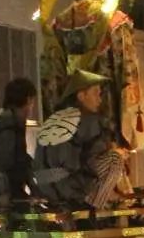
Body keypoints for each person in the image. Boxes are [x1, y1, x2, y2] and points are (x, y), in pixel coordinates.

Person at [33, 69, 132, 210]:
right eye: (96, 94)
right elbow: (93, 157)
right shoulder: (87, 119)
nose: (100, 99)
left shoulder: (54, 117)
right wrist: (118, 152)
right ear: (81, 95)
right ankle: (96, 205)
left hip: (44, 186)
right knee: (115, 159)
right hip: (69, 185)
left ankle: (97, 198)